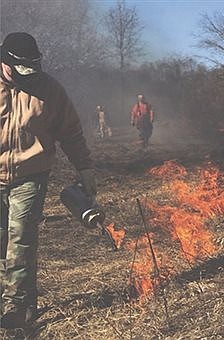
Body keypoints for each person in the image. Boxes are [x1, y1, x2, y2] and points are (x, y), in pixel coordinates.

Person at [0, 32, 96, 329]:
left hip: (31, 175)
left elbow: (71, 132)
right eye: (17, 71)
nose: (24, 78)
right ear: (5, 62)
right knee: (2, 241)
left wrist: (85, 170)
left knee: (21, 239)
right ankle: (26, 299)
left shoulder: (50, 90)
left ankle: (15, 310)